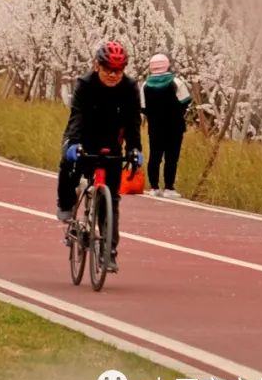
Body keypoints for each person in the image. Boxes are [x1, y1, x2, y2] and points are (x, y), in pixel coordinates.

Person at [57, 40, 144, 273]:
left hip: (111, 142)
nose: (113, 75)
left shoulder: (130, 87)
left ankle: (109, 251)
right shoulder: (85, 85)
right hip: (83, 137)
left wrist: (135, 149)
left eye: (118, 71)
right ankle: (66, 203)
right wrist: (73, 145)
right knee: (68, 165)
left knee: (111, 199)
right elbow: (77, 117)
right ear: (97, 66)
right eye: (108, 70)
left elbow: (133, 122)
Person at [141, 53, 192, 198]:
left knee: (155, 156)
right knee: (172, 156)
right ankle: (169, 187)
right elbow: (186, 100)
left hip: (155, 127)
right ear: (167, 64)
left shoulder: (145, 85)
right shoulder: (176, 82)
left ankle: (154, 187)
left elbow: (142, 106)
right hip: (175, 126)